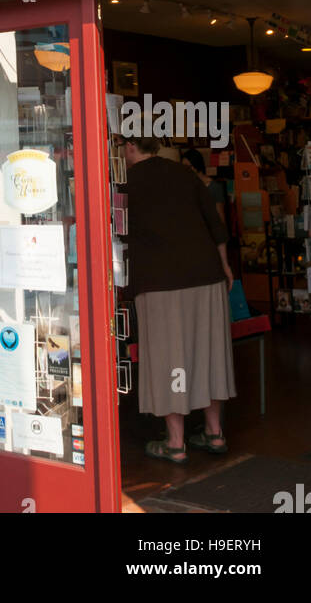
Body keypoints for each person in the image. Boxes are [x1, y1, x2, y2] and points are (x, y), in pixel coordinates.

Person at [125, 132, 235, 463]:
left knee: (170, 360)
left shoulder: (124, 183)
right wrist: (226, 266)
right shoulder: (185, 174)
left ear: (129, 146)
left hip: (159, 281)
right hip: (206, 273)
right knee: (209, 352)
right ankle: (214, 434)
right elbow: (215, 225)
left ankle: (176, 442)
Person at [181, 146, 228, 226]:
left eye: (187, 167)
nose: (184, 171)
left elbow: (220, 216)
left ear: (196, 166)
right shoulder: (186, 185)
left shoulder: (213, 187)